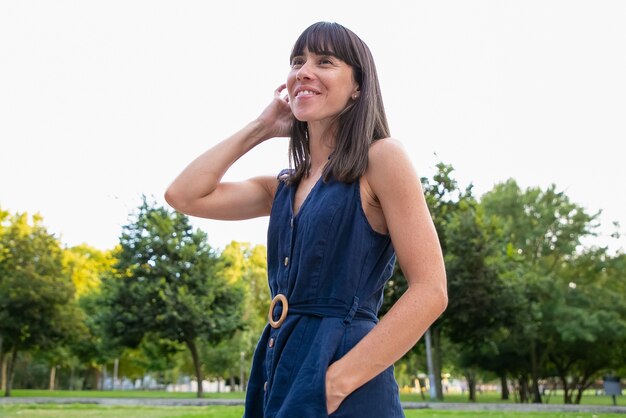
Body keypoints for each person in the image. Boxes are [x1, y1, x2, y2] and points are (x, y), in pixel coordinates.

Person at [165, 21, 447, 418]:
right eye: (297, 61)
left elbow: (431, 290)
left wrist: (337, 381)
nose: (304, 71)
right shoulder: (280, 187)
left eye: (325, 61)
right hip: (277, 368)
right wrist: (261, 127)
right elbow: (184, 194)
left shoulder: (382, 159)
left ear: (358, 87)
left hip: (343, 375)